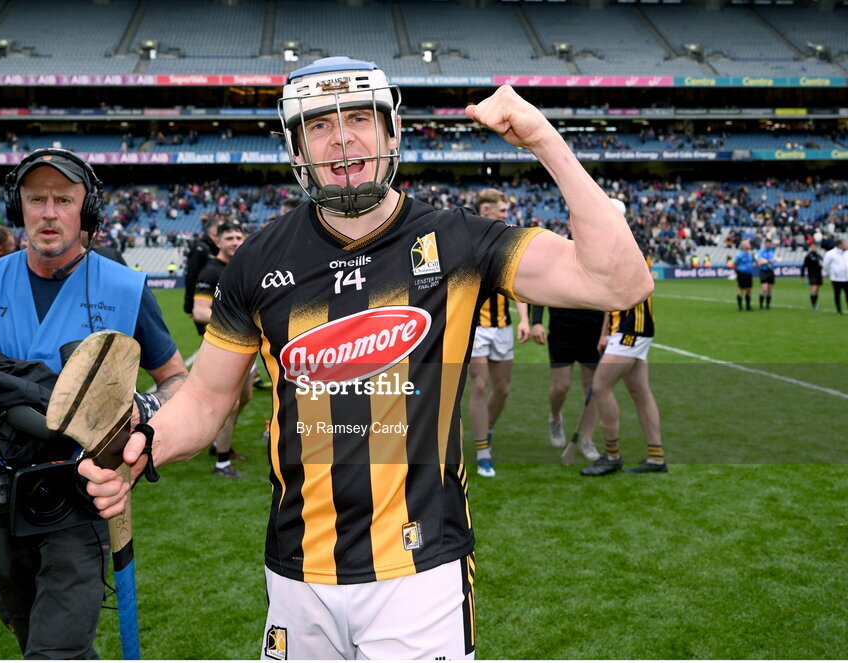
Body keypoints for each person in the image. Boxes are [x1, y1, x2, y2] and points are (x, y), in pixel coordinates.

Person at [80, 57, 652, 660]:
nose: (342, 136)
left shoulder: (459, 241)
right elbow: (205, 399)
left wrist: (542, 139)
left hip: (421, 568)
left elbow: (618, 282)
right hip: (297, 568)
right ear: (296, 145)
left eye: (359, 118)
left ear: (393, 132)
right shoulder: (257, 258)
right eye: (319, 124)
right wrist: (144, 443)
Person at [0, 148, 188, 659]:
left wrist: (143, 411)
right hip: (0, 495)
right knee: (26, 630)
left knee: (55, 650)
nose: (49, 212)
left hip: (82, 491)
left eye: (64, 199)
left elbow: (177, 379)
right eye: (36, 199)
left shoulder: (125, 288)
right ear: (16, 208)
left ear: (85, 212)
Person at [580, 225, 665, 476]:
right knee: (640, 391)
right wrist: (605, 331)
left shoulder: (626, 248)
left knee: (600, 386)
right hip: (628, 329)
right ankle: (656, 457)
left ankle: (612, 455)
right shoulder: (614, 248)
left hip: (631, 329)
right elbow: (610, 295)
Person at [467, 188, 529, 478]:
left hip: (503, 326)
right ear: (487, 210)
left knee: (502, 389)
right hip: (476, 327)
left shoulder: (509, 240)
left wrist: (525, 319)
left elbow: (519, 282)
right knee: (479, 385)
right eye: (502, 210)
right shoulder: (466, 236)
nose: (507, 215)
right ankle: (482, 452)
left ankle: (487, 429)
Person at [192, 221, 252, 478]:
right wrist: (235, 315)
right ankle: (222, 462)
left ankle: (219, 443)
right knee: (232, 402)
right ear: (219, 242)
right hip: (222, 345)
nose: (236, 242)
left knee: (246, 396)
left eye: (239, 237)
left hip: (244, 342)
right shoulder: (210, 272)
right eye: (230, 238)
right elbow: (199, 311)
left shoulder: (241, 267)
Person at [529, 303, 603, 462]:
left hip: (594, 327)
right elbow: (541, 288)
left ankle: (587, 440)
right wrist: (536, 322)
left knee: (591, 387)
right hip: (562, 328)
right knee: (561, 386)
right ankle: (555, 418)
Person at [183, 215, 222, 336]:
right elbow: (191, 276)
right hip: (203, 301)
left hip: (214, 300)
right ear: (213, 231)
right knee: (211, 338)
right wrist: (190, 305)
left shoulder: (214, 248)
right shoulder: (200, 248)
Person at [823, 237, 848, 314]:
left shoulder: (847, 253)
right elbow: (826, 266)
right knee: (837, 294)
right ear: (840, 244)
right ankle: (839, 309)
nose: (847, 244)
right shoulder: (830, 254)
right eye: (845, 243)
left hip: (846, 278)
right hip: (836, 278)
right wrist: (832, 273)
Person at [734, 239, 755, 311]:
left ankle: (748, 306)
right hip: (742, 273)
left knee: (749, 289)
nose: (749, 245)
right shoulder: (739, 255)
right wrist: (737, 272)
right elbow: (735, 265)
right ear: (744, 246)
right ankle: (740, 307)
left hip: (749, 274)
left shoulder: (750, 254)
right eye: (747, 244)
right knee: (741, 288)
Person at [801, 243, 823, 309]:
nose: (814, 248)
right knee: (813, 289)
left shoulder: (819, 256)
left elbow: (822, 264)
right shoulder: (808, 256)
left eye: (815, 247)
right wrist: (802, 275)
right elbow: (804, 266)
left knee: (817, 290)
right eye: (813, 247)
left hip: (819, 274)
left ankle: (815, 303)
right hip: (812, 275)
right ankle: (813, 305)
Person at [757, 238, 776, 310]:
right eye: (767, 244)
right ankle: (761, 306)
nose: (768, 245)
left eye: (769, 244)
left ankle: (767, 306)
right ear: (765, 244)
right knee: (764, 288)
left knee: (770, 289)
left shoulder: (771, 251)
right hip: (764, 271)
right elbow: (759, 262)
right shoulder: (761, 252)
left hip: (771, 271)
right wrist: (769, 261)